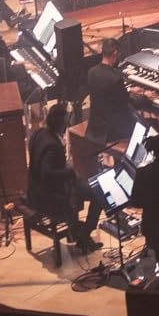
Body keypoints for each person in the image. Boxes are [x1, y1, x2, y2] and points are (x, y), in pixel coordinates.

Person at [27, 100, 101, 248]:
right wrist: (71, 173)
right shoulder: (53, 146)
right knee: (98, 195)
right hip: (50, 195)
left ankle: (75, 230)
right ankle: (84, 234)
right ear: (62, 124)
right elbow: (47, 173)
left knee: (84, 187)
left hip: (34, 189)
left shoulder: (39, 133)